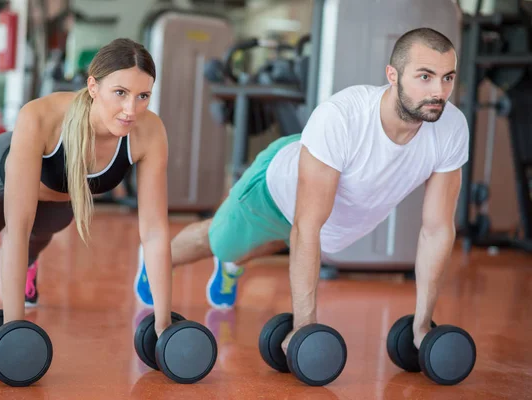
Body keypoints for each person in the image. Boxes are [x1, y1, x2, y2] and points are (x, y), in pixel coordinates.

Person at [134, 27, 469, 351]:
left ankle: (233, 264)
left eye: (448, 77)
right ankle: (155, 261)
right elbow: (306, 226)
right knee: (220, 242)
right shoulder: (344, 117)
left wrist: (422, 326)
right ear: (392, 75)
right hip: (276, 189)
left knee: (279, 241)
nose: (438, 91)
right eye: (425, 77)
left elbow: (437, 230)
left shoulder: (450, 128)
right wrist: (304, 328)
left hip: (323, 217)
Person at [0, 38, 173, 337]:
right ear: (94, 87)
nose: (130, 110)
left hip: (59, 200)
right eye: (120, 93)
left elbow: (154, 232)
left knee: (45, 229)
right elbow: (16, 228)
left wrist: (164, 328)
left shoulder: (149, 133)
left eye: (143, 96)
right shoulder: (42, 116)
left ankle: (28, 267)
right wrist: (13, 330)